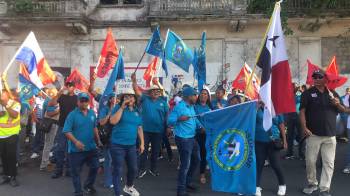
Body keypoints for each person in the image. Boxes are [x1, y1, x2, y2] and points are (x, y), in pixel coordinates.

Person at [300, 70, 348, 196]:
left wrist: (337, 104)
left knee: (329, 163)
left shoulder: (333, 93)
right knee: (310, 161)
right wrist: (304, 127)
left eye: (319, 77)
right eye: (314, 77)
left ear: (325, 79)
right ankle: (312, 183)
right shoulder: (307, 93)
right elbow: (302, 111)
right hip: (313, 134)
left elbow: (344, 110)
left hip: (330, 136)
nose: (315, 79)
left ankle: (325, 188)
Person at [63, 92, 101, 196]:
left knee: (95, 167)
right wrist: (76, 142)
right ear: (78, 102)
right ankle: (78, 192)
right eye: (82, 100)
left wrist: (98, 140)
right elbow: (66, 131)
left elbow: (94, 128)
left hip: (91, 147)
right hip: (76, 150)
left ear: (88, 102)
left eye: (86, 100)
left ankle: (88, 185)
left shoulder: (92, 113)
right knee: (76, 173)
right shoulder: (72, 115)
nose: (84, 102)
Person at [131, 73, 169, 178]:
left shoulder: (163, 102)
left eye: (157, 91)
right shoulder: (145, 99)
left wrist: (167, 127)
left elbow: (167, 116)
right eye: (154, 90)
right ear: (150, 92)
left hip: (158, 131)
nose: (156, 92)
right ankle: (141, 169)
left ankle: (153, 169)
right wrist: (134, 81)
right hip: (145, 130)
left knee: (156, 151)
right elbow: (136, 91)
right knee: (143, 150)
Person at [109, 89, 144, 196]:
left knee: (133, 168)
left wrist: (142, 143)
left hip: (131, 146)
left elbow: (139, 127)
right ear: (123, 98)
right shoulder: (118, 108)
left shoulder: (137, 111)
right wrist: (122, 108)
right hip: (117, 145)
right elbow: (113, 121)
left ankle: (128, 187)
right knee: (118, 170)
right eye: (126, 96)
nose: (129, 98)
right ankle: (117, 193)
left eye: (131, 96)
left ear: (135, 98)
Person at [168, 86, 202, 196]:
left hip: (192, 138)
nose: (196, 97)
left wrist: (200, 126)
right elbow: (170, 120)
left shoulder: (191, 106)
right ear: (188, 96)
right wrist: (179, 118)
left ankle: (187, 182)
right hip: (183, 139)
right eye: (194, 95)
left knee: (197, 160)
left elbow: (194, 118)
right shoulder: (179, 107)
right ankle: (181, 190)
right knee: (185, 165)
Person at [255, 101, 287, 196]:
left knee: (276, 164)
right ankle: (256, 186)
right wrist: (256, 108)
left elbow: (281, 124)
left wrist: (284, 140)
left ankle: (282, 184)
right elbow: (250, 120)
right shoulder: (257, 107)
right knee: (258, 164)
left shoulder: (276, 108)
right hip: (259, 140)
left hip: (273, 141)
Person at [51, 81, 78, 179]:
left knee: (71, 150)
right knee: (60, 149)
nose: (68, 87)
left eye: (71, 86)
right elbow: (51, 103)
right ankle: (58, 170)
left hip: (73, 128)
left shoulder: (77, 98)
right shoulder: (62, 97)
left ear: (74, 87)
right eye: (67, 86)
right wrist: (59, 92)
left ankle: (69, 170)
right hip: (62, 126)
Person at [0, 89, 21, 187]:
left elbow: (14, 115)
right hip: (1, 135)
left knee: (11, 156)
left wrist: (5, 105)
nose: (1, 97)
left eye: (2, 95)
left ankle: (13, 177)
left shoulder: (15, 104)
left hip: (12, 135)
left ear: (7, 95)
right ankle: (6, 175)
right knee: (3, 156)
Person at [98, 92, 116, 188]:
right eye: (113, 98)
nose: (115, 100)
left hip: (118, 138)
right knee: (108, 159)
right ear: (109, 100)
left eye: (116, 98)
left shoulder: (119, 108)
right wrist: (110, 113)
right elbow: (101, 122)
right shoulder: (104, 109)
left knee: (116, 159)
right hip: (107, 137)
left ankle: (114, 178)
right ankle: (108, 182)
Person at [194, 88, 212, 184]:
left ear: (208, 96)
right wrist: (201, 127)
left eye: (205, 94)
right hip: (198, 134)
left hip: (209, 135)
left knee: (206, 155)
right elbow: (195, 119)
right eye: (202, 93)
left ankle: (203, 173)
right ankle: (199, 174)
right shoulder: (195, 107)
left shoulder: (210, 107)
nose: (203, 95)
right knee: (199, 155)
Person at [40, 88, 60, 171]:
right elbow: (49, 113)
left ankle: (46, 161)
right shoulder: (51, 101)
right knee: (48, 144)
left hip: (52, 123)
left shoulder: (50, 100)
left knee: (49, 143)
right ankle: (44, 164)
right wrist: (59, 110)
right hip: (51, 124)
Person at [284, 85, 304, 160]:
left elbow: (304, 101)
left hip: (299, 116)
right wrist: (294, 91)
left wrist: (302, 92)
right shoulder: (289, 95)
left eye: (295, 86)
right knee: (290, 135)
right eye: (293, 86)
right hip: (290, 115)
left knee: (301, 135)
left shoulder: (302, 95)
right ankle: (290, 153)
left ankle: (301, 154)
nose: (296, 88)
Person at [30, 91, 47, 159]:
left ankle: (46, 151)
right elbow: (32, 109)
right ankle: (35, 151)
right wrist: (35, 118)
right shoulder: (37, 99)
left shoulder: (50, 99)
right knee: (38, 135)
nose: (44, 94)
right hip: (39, 120)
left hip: (47, 120)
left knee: (46, 136)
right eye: (43, 92)